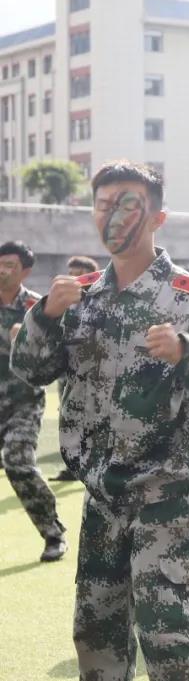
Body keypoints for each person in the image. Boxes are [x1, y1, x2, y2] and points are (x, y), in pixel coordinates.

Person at [11, 160, 189, 680]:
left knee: (165, 630)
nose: (114, 217)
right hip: (102, 490)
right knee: (95, 631)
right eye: (103, 205)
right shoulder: (78, 298)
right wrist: (44, 318)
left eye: (128, 205)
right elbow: (31, 371)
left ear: (157, 218)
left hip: (166, 490)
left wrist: (187, 350)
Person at [0, 240, 66, 560]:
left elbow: (52, 358)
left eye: (9, 265)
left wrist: (24, 340)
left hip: (23, 402)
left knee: (17, 462)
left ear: (25, 272)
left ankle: (53, 533)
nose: (2, 270)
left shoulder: (38, 309)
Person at [49, 256, 101, 481]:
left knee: (95, 424)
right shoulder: (65, 304)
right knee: (69, 421)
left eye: (79, 273)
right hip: (69, 375)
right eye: (70, 273)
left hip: (97, 377)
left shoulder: (101, 301)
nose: (73, 278)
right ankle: (71, 468)